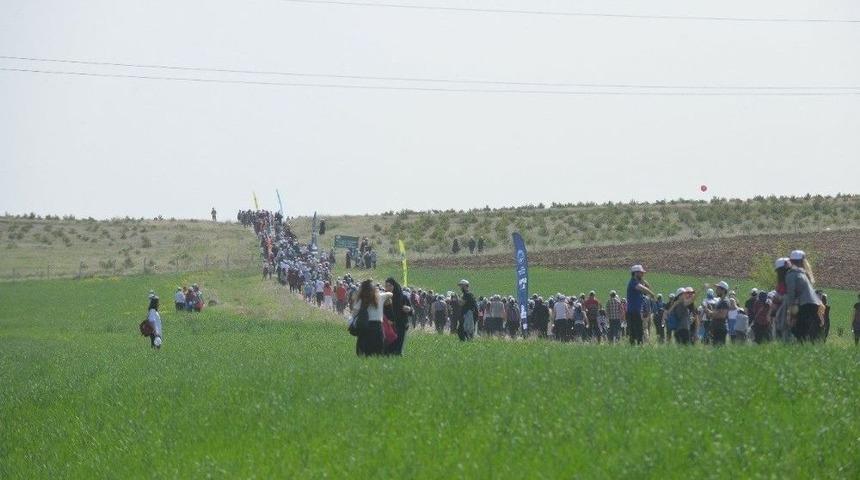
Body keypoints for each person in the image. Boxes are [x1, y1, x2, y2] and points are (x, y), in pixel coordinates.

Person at [784, 250, 823, 343]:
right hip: (814, 306)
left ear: (791, 261)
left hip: (803, 306)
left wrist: (790, 313)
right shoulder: (805, 274)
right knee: (810, 334)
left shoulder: (792, 274)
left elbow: (791, 294)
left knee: (798, 332)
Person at [354, 279, 391, 356]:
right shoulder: (380, 297)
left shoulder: (360, 300)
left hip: (364, 328)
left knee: (363, 354)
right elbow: (390, 294)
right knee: (377, 354)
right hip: (378, 328)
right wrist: (379, 292)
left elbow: (354, 314)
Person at [626, 265, 655, 345]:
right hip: (632, 312)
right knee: (634, 333)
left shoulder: (637, 282)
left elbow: (647, 287)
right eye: (641, 273)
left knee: (639, 332)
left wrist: (643, 281)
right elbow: (642, 288)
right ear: (635, 273)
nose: (643, 274)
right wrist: (651, 294)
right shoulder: (633, 282)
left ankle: (638, 347)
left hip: (637, 312)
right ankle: (636, 347)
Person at [383, 277, 413, 355]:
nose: (388, 288)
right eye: (386, 286)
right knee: (387, 350)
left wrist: (409, 309)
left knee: (398, 350)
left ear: (394, 286)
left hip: (401, 326)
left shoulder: (403, 298)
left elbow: (411, 312)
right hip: (388, 326)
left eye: (390, 286)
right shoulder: (384, 298)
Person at [707, 281, 731, 346]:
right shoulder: (720, 301)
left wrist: (711, 313)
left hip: (720, 329)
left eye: (718, 289)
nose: (716, 290)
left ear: (723, 290)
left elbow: (722, 315)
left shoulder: (725, 301)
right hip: (717, 328)